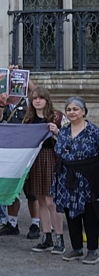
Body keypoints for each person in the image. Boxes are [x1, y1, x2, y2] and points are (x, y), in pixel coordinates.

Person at [49, 97, 99, 263]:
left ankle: (92, 250)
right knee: (71, 214)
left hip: (87, 178)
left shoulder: (93, 131)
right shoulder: (63, 131)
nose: (72, 112)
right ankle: (76, 248)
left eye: (75, 109)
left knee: (89, 214)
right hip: (66, 177)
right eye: (69, 109)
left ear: (84, 111)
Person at [26, 87, 66, 254]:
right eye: (35, 98)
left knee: (51, 200)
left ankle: (59, 238)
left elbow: (67, 139)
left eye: (41, 98)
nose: (37, 101)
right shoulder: (29, 119)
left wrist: (56, 131)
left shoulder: (57, 117)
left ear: (46, 100)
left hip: (52, 159)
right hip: (36, 159)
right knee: (41, 199)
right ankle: (46, 236)